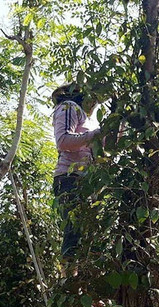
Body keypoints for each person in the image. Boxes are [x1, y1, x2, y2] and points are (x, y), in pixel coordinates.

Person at [52, 83, 100, 260]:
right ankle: (68, 284)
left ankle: (78, 282)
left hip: (85, 182)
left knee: (85, 237)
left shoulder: (85, 119)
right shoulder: (69, 107)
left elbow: (103, 145)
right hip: (70, 178)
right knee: (73, 234)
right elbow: (63, 140)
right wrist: (97, 134)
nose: (94, 104)